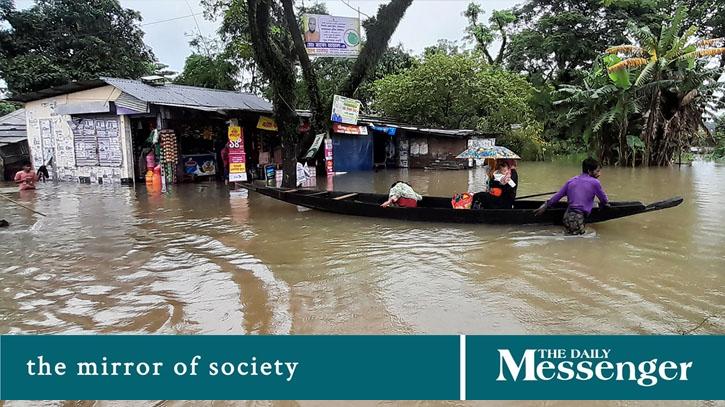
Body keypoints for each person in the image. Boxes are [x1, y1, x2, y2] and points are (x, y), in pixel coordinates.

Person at [534, 157, 610, 235]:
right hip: (576, 218)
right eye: (597, 171)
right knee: (579, 243)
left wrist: (545, 205)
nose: (599, 174)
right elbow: (604, 200)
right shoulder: (595, 183)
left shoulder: (571, 181)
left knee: (570, 238)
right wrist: (604, 206)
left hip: (567, 216)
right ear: (589, 171)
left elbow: (557, 197)